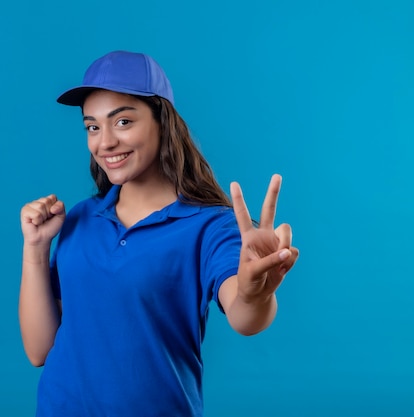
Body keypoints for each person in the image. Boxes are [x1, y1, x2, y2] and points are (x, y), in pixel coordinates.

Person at [19, 50, 299, 417]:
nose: (105, 143)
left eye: (122, 122)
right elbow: (39, 350)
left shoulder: (209, 226)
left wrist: (255, 295)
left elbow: (245, 318)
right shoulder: (81, 219)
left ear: (162, 121)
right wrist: (36, 249)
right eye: (92, 126)